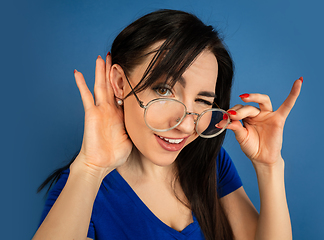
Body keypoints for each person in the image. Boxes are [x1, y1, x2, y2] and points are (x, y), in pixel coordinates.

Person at [33, 9, 302, 240]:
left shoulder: (211, 163)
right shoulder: (84, 189)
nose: (185, 125)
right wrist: (90, 168)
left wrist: (270, 167)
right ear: (119, 83)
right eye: (163, 90)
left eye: (202, 100)